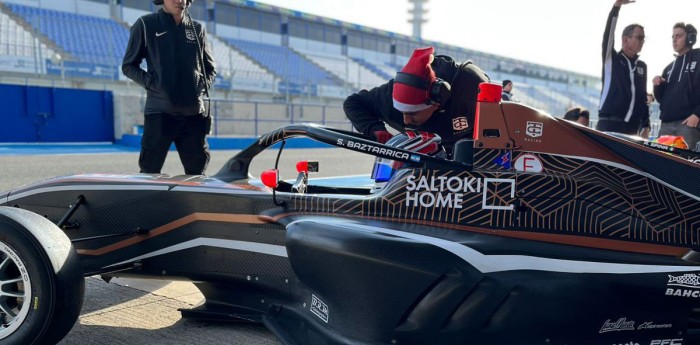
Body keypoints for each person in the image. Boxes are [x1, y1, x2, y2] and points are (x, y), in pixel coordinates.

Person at [122, 0, 216, 175]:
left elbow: (210, 69)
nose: (179, 0)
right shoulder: (146, 24)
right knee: (149, 171)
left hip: (193, 116)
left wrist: (199, 89)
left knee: (197, 174)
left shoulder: (197, 29)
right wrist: (155, 84)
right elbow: (128, 66)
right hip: (159, 114)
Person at [343, 46, 489, 155]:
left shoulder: (472, 87)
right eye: (402, 112)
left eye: (412, 113)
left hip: (466, 150)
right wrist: (375, 130)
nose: (406, 121)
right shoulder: (388, 96)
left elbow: (497, 123)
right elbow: (353, 103)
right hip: (420, 152)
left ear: (437, 101)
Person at [596, 0, 650, 137]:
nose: (642, 41)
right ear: (625, 40)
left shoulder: (642, 66)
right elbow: (608, 34)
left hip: (633, 128)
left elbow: (642, 97)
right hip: (610, 124)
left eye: (644, 38)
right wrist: (616, 7)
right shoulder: (611, 59)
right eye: (639, 37)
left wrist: (646, 125)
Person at [652, 22, 700, 151]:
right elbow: (660, 98)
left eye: (678, 36)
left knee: (683, 166)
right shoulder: (668, 68)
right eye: (673, 37)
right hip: (666, 125)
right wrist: (657, 85)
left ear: (690, 38)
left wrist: (697, 114)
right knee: (660, 164)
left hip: (687, 125)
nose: (674, 40)